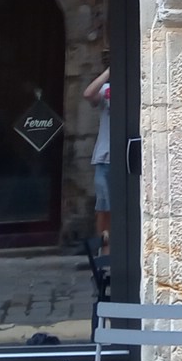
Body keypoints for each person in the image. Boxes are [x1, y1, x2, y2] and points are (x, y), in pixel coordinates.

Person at [83, 65, 111, 252]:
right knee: (103, 208)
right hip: (105, 157)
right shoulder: (106, 89)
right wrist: (109, 71)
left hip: (126, 157)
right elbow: (88, 94)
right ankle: (104, 253)